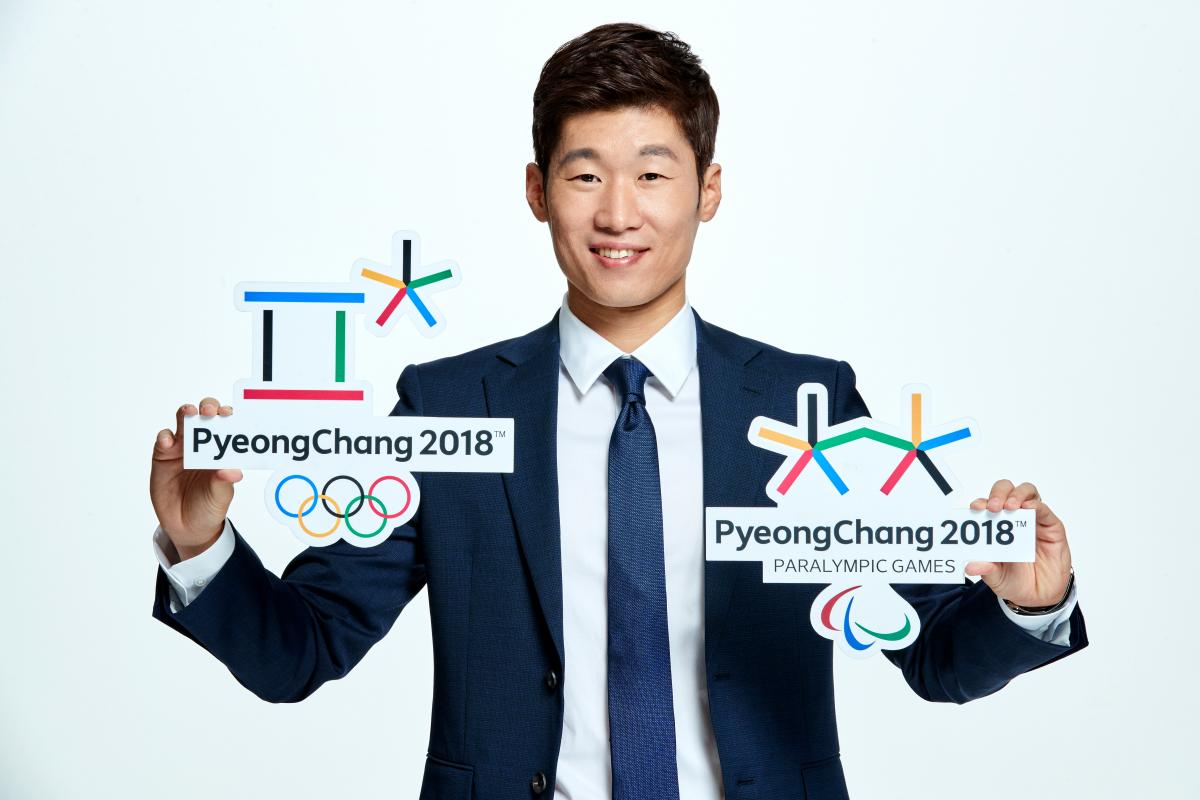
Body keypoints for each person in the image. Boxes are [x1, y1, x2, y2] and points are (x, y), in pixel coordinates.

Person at [148, 22, 1087, 800]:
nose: (618, 213)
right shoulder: (444, 408)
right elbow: (303, 650)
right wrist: (203, 548)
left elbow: (935, 655)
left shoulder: (815, 407)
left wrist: (1027, 603)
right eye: (585, 174)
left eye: (653, 172)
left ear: (708, 190)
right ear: (537, 191)